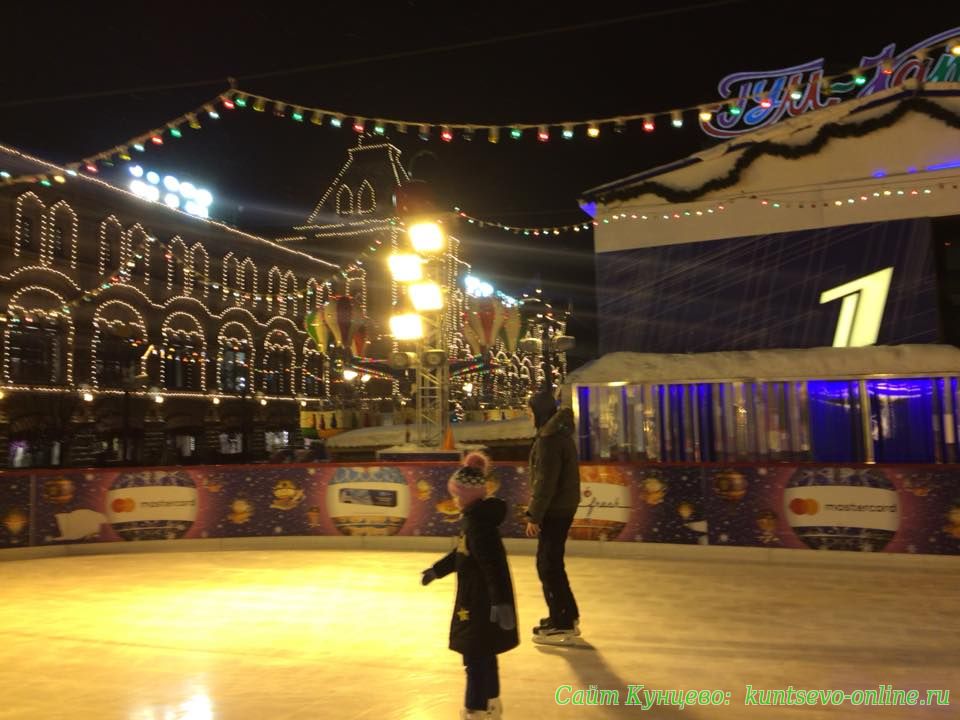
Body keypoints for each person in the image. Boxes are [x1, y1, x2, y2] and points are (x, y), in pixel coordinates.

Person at [421, 452, 518, 720]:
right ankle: (491, 703)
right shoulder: (475, 520)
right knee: (485, 653)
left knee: (475, 656)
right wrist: (437, 570)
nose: (454, 500)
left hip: (479, 603)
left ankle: (475, 709)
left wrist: (500, 603)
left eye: (456, 495)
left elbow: (493, 565)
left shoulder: (479, 525)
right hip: (476, 600)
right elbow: (462, 554)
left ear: (467, 496)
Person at [525, 388, 582, 643]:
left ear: (540, 412)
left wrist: (534, 516)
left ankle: (563, 621)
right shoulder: (557, 435)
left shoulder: (549, 440)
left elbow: (545, 482)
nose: (529, 416)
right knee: (551, 564)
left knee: (548, 565)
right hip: (561, 507)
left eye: (530, 412)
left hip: (555, 510)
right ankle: (566, 614)